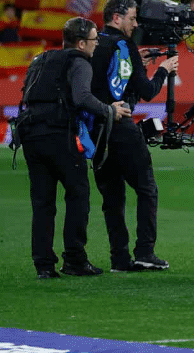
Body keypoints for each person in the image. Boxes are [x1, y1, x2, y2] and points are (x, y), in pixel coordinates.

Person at [20, 17, 130, 279]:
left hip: (30, 135)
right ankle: (75, 259)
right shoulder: (79, 62)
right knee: (78, 194)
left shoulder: (42, 59)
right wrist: (108, 110)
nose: (96, 45)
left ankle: (44, 265)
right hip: (60, 136)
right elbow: (81, 97)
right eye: (94, 40)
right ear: (81, 43)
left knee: (43, 203)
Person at [90, 0, 179, 273]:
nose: (135, 23)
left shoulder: (95, 44)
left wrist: (134, 63)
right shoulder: (124, 45)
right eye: (131, 18)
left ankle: (119, 258)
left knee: (112, 198)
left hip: (96, 129)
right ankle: (144, 252)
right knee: (146, 188)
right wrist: (163, 70)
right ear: (117, 18)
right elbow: (148, 91)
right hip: (121, 126)